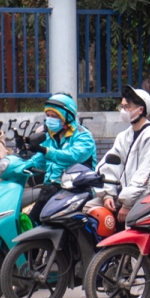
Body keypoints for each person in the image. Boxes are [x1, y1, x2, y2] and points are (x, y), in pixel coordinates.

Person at [94, 85, 150, 222]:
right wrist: (108, 194)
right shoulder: (124, 136)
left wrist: (127, 204)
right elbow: (110, 164)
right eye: (122, 107)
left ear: (140, 110)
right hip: (130, 194)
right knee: (90, 209)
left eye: (127, 107)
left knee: (131, 223)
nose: (123, 111)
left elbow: (144, 172)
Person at [29, 93, 97, 224]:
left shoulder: (83, 136)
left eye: (54, 116)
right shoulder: (51, 136)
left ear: (68, 117)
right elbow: (39, 160)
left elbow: (72, 156)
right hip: (51, 189)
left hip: (76, 193)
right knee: (32, 222)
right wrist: (21, 164)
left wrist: (45, 150)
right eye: (47, 116)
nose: (49, 120)